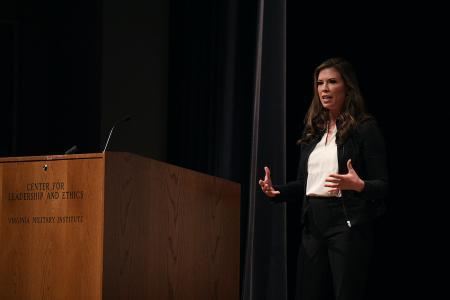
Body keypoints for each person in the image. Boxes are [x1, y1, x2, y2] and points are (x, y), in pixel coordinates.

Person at [259, 57, 388, 300]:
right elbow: (304, 183)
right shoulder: (313, 132)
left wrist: (359, 185)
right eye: (320, 83)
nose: (324, 89)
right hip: (313, 224)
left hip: (346, 223)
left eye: (332, 82)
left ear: (347, 87)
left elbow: (382, 185)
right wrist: (277, 191)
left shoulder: (365, 128)